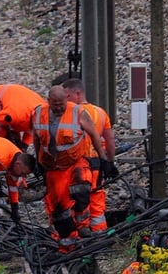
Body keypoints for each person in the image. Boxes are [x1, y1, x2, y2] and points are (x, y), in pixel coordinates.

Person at [32, 85, 106, 252]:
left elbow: (94, 134)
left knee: (82, 190)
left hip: (75, 162)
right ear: (48, 101)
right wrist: (38, 161)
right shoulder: (38, 114)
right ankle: (68, 239)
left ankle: (83, 226)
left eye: (61, 104)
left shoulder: (77, 112)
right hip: (53, 167)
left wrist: (104, 159)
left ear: (67, 99)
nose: (58, 108)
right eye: (55, 104)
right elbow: (36, 138)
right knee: (59, 206)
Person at [62, 78, 118, 235]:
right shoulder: (100, 112)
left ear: (77, 93)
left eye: (67, 96)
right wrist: (110, 162)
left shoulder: (71, 113)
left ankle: (81, 235)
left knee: (78, 199)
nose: (65, 100)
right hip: (97, 163)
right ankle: (100, 234)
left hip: (78, 165)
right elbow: (110, 139)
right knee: (96, 196)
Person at [0, 84, 46, 150]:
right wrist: (4, 138)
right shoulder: (16, 115)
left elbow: (32, 129)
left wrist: (24, 145)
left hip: (7, 110)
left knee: (15, 144)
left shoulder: (44, 111)